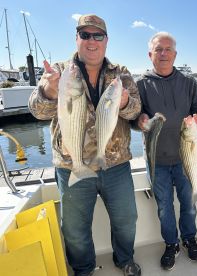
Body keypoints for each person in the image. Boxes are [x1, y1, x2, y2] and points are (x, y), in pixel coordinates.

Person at [28, 14, 142, 276]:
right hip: (71, 165)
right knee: (75, 229)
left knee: (126, 221)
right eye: (85, 35)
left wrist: (124, 103)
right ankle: (84, 270)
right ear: (76, 38)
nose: (92, 41)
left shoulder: (121, 73)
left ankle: (125, 260)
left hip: (115, 165)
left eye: (97, 35)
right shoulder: (58, 71)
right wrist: (48, 92)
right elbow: (36, 111)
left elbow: (136, 110)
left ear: (106, 40)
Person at [135, 32, 197, 271]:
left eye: (168, 49)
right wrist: (140, 120)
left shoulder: (189, 83)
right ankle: (171, 244)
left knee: (189, 204)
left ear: (175, 54)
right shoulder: (141, 84)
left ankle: (189, 238)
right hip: (157, 161)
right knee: (164, 207)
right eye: (158, 49)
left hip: (186, 158)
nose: (163, 54)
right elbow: (135, 118)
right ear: (150, 54)